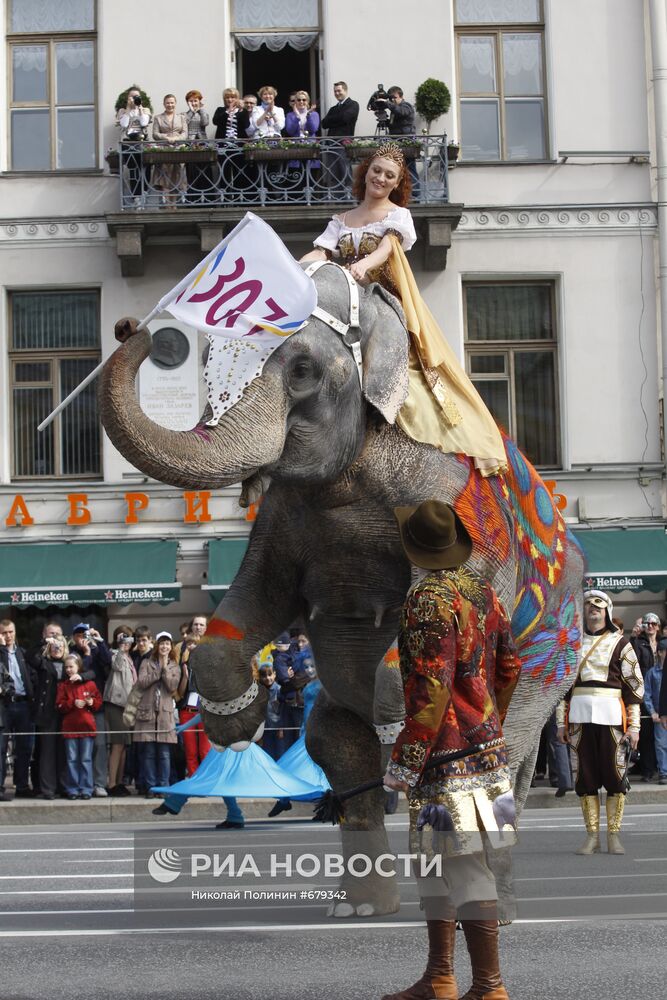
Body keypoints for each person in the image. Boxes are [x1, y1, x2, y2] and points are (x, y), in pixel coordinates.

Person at [383, 500, 520, 1000]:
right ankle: (439, 977)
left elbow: (431, 688)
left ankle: (488, 986)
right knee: (436, 862)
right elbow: (510, 667)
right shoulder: (484, 593)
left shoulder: (425, 600)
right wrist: (487, 719)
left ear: (414, 551)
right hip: (486, 753)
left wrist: (404, 761)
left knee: (459, 865)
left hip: (444, 758)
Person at [300, 143, 506, 476]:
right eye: (377, 170)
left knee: (401, 360)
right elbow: (321, 253)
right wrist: (297, 265)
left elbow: (388, 248)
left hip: (383, 299)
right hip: (347, 302)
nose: (380, 178)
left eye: (389, 175)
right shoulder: (341, 220)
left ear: (397, 183)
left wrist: (364, 263)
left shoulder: (398, 216)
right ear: (366, 170)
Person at [556, 590, 644, 855]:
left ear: (607, 610)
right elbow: (562, 690)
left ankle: (613, 836)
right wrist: (561, 724)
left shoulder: (622, 643)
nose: (593, 609)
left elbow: (634, 689)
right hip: (580, 720)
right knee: (586, 777)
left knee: (616, 776)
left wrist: (635, 727)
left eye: (598, 605)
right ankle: (591, 836)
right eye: (588, 605)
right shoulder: (571, 645)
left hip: (613, 719)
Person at [133, 631, 180, 796]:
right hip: (147, 713)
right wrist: (157, 670)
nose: (165, 646)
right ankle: (151, 787)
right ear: (157, 645)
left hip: (165, 715)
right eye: (162, 643)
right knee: (149, 753)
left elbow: (172, 686)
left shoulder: (175, 665)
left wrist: (165, 668)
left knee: (165, 754)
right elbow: (143, 682)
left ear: (171, 646)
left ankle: (164, 787)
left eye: (167, 643)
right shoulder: (146, 662)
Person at [71, 623, 111, 797]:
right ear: (74, 637)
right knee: (78, 750)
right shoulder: (72, 652)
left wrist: (100, 641)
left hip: (97, 706)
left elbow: (109, 662)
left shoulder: (97, 650)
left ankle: (99, 783)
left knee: (100, 745)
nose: (83, 638)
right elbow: (82, 671)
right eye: (79, 634)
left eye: (85, 634)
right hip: (77, 708)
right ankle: (83, 784)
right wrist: (86, 654)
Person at [56, 653, 102, 800]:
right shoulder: (63, 685)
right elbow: (59, 705)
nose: (69, 670)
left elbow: (98, 702)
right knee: (71, 760)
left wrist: (91, 703)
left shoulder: (90, 684)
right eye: (66, 667)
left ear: (79, 667)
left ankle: (86, 789)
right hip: (69, 728)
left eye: (71, 666)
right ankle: (73, 789)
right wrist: (72, 703)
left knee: (86, 759)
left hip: (87, 727)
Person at [0, 620, 36, 798]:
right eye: (4, 633)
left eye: (10, 632)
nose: (8, 636)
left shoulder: (22, 653)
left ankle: (21, 785)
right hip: (3, 706)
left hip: (23, 704)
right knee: (1, 746)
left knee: (24, 747)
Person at [31, 633, 69, 799]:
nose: (57, 649)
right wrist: (43, 641)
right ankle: (48, 789)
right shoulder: (43, 663)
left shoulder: (71, 663)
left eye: (60, 646)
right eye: (54, 646)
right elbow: (29, 656)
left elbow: (90, 671)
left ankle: (63, 786)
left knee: (65, 752)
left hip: (67, 712)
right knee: (47, 752)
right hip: (48, 712)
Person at [103, 633, 137, 796]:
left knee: (124, 745)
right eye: (124, 640)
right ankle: (111, 783)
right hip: (116, 704)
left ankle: (119, 781)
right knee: (117, 744)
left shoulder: (130, 657)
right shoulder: (116, 654)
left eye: (129, 640)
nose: (127, 643)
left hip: (127, 706)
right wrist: (121, 649)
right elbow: (116, 667)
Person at [630, 612, 660, 781]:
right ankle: (647, 769)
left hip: (660, 689)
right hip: (643, 689)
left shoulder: (662, 643)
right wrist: (633, 638)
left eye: (653, 623)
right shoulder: (639, 642)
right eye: (647, 623)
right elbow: (631, 661)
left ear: (658, 626)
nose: (650, 626)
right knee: (646, 732)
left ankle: (657, 766)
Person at [115, 85, 152, 206]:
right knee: (133, 167)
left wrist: (139, 107)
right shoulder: (122, 111)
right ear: (127, 98)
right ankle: (136, 195)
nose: (134, 98)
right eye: (132, 96)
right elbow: (124, 125)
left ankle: (144, 191)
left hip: (141, 140)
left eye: (137, 96)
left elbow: (144, 122)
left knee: (144, 166)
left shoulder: (145, 110)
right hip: (128, 142)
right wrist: (128, 108)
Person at [321, 80, 359, 190]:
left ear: (345, 90)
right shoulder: (333, 108)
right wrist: (337, 118)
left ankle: (348, 197)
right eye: (335, 91)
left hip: (343, 142)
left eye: (339, 90)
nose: (337, 93)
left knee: (344, 169)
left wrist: (332, 120)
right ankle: (337, 199)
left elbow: (345, 118)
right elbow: (324, 123)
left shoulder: (353, 104)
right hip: (331, 143)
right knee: (333, 172)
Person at [151, 94, 188, 206]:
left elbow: (185, 133)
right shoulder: (158, 118)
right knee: (164, 175)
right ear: (164, 104)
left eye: (172, 103)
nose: (170, 105)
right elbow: (155, 134)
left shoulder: (181, 117)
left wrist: (176, 138)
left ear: (175, 104)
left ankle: (174, 204)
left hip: (178, 149)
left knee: (177, 175)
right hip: (164, 149)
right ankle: (166, 204)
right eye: (168, 103)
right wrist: (166, 138)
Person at [644, 638, 667, 783]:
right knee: (661, 744)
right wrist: (652, 712)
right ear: (659, 653)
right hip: (660, 715)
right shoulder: (652, 673)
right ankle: (664, 772)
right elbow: (647, 694)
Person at [183, 88, 211, 204]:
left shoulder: (203, 112)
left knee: (204, 170)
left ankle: (207, 198)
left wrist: (200, 110)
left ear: (200, 101)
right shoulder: (185, 114)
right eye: (191, 101)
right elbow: (185, 123)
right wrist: (191, 111)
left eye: (196, 100)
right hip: (190, 142)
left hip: (202, 141)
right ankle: (193, 199)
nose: (194, 103)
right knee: (192, 171)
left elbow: (205, 123)